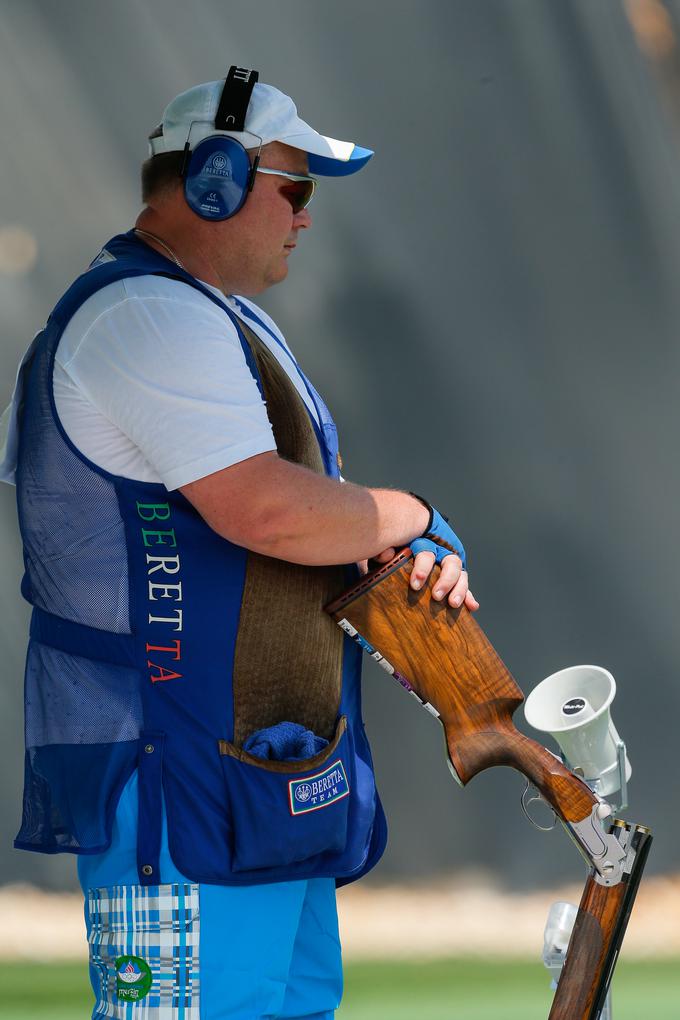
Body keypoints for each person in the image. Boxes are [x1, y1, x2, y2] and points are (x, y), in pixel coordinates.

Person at [1, 67, 478, 1019]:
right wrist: (413, 515)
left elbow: (297, 517)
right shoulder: (146, 317)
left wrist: (380, 540)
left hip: (243, 759)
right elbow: (266, 512)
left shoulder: (197, 311)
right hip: (172, 771)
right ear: (215, 178)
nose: (305, 216)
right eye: (293, 189)